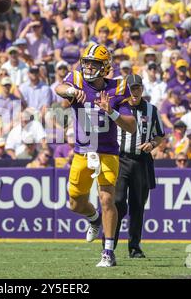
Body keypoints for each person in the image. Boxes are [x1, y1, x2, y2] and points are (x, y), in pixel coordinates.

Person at [55, 44, 136, 267]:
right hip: (82, 152)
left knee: (107, 199)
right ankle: (94, 218)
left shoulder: (118, 87)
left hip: (108, 152)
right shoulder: (77, 81)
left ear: (105, 66)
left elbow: (132, 127)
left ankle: (108, 252)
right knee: (74, 203)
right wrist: (71, 92)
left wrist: (111, 111)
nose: (89, 67)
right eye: (87, 62)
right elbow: (59, 88)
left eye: (94, 63)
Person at [110, 74, 165, 258]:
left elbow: (159, 135)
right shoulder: (118, 108)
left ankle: (134, 247)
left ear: (142, 88)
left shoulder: (151, 110)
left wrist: (153, 144)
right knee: (117, 202)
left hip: (142, 161)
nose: (135, 91)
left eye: (138, 88)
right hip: (121, 159)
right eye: (132, 88)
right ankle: (109, 245)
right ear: (126, 89)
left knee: (138, 205)